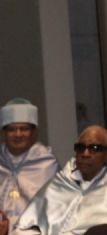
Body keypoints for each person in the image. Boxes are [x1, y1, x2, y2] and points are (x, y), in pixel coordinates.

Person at [13, 125, 107, 234]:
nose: (85, 154)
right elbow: (24, 228)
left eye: (94, 148)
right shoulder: (60, 183)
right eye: (80, 148)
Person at [0, 98, 58, 231]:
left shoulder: (46, 163)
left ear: (33, 132)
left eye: (24, 129)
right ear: (3, 133)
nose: (18, 134)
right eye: (12, 129)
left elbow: (55, 210)